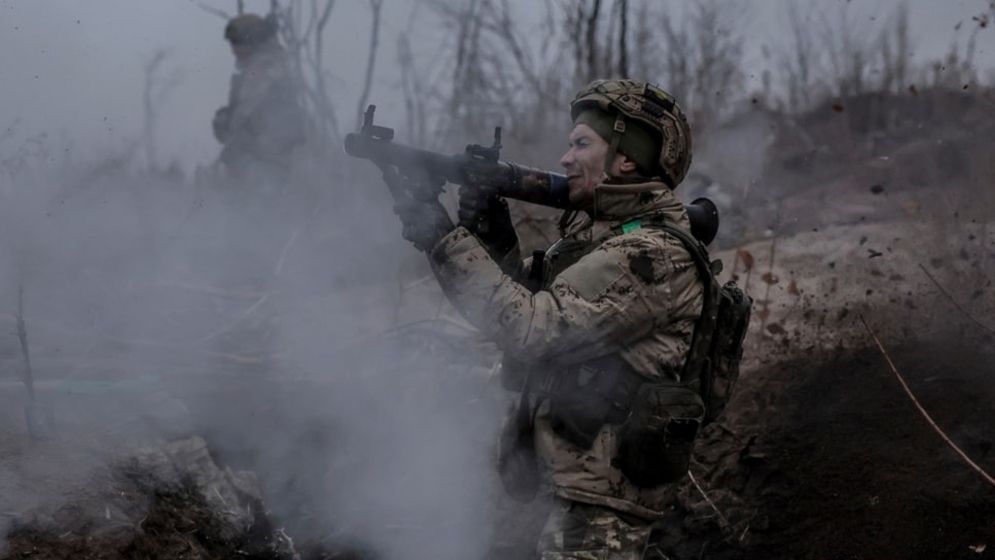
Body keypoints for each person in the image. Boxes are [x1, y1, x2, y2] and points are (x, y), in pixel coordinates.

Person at [391, 79, 706, 559]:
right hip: (564, 482)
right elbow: (514, 310)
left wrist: (443, 237)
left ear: (627, 159)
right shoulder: (601, 236)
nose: (564, 158)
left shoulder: (651, 254)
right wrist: (490, 235)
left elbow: (531, 329)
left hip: (601, 506)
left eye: (582, 143)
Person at [212, 13, 307, 185]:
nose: (233, 49)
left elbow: (245, 113)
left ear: (250, 40)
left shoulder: (264, 66)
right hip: (266, 157)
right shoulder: (265, 64)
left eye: (236, 42)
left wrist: (227, 123)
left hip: (267, 160)